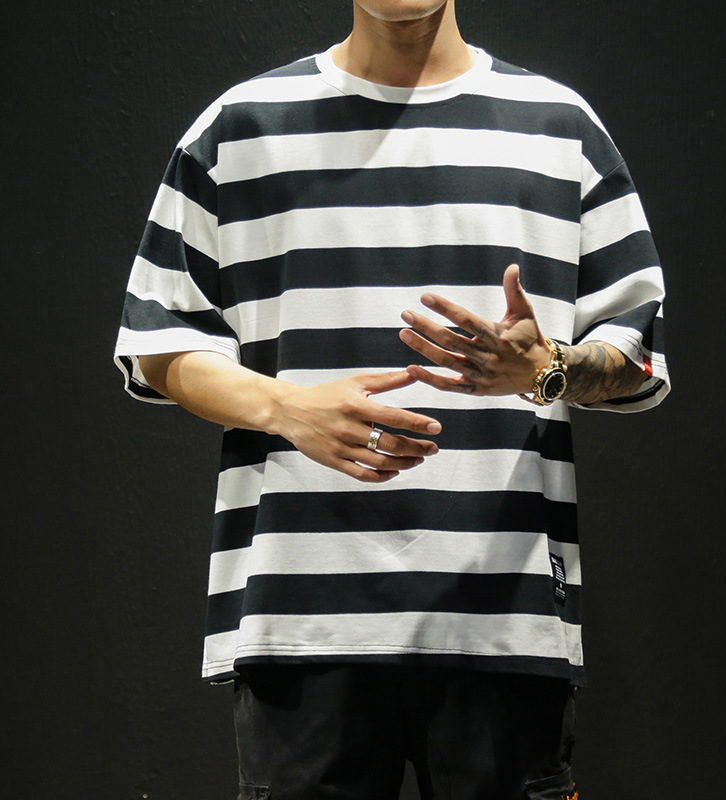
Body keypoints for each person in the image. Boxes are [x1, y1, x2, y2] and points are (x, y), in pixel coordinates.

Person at [114, 2, 669, 798]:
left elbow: (635, 353)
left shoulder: (560, 126)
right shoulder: (240, 128)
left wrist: (547, 367)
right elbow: (161, 341)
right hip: (300, 617)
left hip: (504, 614)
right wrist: (285, 408)